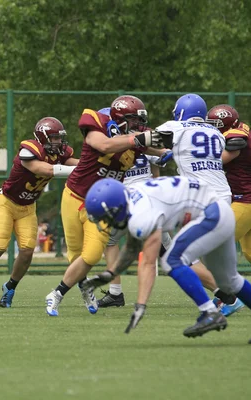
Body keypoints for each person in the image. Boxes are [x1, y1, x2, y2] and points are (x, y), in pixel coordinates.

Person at [82, 177, 251, 343]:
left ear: (116, 208)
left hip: (211, 214)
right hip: (220, 212)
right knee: (229, 281)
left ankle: (209, 312)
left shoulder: (141, 213)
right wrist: (110, 273)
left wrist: (140, 305)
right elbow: (132, 247)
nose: (105, 223)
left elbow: (148, 261)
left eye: (105, 217)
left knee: (171, 260)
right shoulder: (133, 199)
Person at [45, 95, 163, 317]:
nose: (138, 126)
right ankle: (84, 287)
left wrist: (167, 151)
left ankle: (56, 294)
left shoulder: (131, 140)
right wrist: (138, 139)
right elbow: (104, 144)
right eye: (134, 121)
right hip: (75, 195)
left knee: (91, 256)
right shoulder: (95, 125)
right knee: (75, 254)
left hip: (100, 205)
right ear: (119, 118)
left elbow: (152, 148)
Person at [0, 117, 78, 307]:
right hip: (6, 202)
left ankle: (10, 287)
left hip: (27, 207)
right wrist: (79, 170)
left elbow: (78, 163)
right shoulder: (29, 150)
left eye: (59, 138)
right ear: (42, 138)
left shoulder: (59, 153)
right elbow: (46, 169)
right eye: (54, 138)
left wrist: (93, 166)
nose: (58, 142)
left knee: (26, 252)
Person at [156, 95, 245, 316]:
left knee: (177, 256)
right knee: (211, 258)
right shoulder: (214, 132)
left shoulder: (176, 126)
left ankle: (229, 298)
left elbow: (146, 139)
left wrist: (129, 140)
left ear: (181, 112)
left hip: (200, 199)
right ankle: (230, 297)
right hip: (223, 195)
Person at [96, 107, 173, 308]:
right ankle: (218, 292)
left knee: (171, 254)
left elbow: (156, 162)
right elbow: (156, 165)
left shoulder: (118, 141)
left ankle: (219, 292)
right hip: (142, 199)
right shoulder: (138, 138)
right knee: (170, 252)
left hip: (135, 200)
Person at [207, 105, 251, 268]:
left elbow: (234, 143)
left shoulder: (236, 136)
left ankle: (224, 292)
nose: (211, 129)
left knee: (212, 246)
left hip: (248, 200)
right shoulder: (241, 127)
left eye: (215, 126)